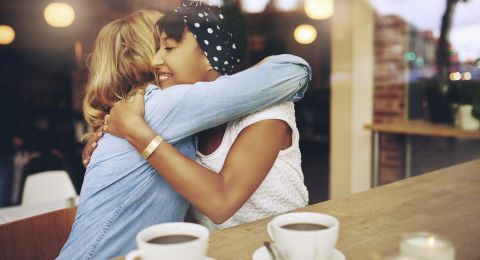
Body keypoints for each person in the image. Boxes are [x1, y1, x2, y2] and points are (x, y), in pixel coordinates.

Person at [59, 8, 311, 260]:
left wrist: (137, 132)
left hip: (289, 249)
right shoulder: (165, 114)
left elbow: (218, 203)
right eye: (157, 47)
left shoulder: (151, 116)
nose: (156, 61)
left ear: (211, 55)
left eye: (168, 48)